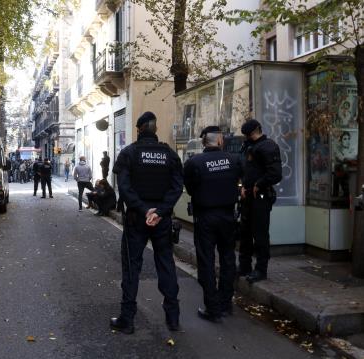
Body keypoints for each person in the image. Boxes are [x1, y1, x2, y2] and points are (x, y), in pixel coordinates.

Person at [111, 111, 184, 334]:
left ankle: (127, 319)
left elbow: (124, 187)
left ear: (139, 129)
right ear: (155, 129)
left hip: (136, 218)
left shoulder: (129, 153)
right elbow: (176, 187)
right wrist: (160, 212)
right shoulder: (169, 155)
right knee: (166, 265)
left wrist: (144, 210)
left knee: (132, 267)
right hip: (161, 220)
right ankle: (173, 319)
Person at [183, 126, 243, 322]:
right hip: (227, 216)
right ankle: (225, 303)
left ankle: (213, 308)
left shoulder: (194, 162)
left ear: (203, 142)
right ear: (220, 141)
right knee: (227, 259)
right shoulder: (234, 160)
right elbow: (241, 181)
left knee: (206, 262)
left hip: (206, 217)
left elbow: (190, 188)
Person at [239, 119, 282, 283]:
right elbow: (246, 170)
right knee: (245, 233)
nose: (249, 137)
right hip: (248, 196)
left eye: (251, 134)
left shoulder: (268, 146)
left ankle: (261, 269)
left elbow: (275, 174)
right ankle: (244, 266)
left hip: (261, 196)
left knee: (260, 234)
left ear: (258, 130)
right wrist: (243, 186)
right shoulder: (249, 146)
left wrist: (259, 184)